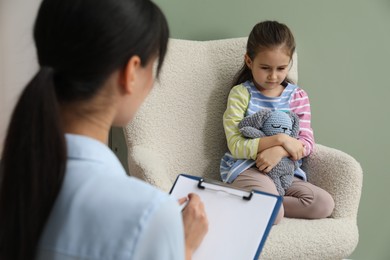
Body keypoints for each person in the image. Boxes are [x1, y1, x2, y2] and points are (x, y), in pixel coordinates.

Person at [0, 0, 208, 259]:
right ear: (131, 72)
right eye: (152, 67)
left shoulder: (15, 178)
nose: (153, 82)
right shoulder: (148, 214)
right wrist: (184, 248)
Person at [220, 21, 334, 224]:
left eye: (281, 68)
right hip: (248, 168)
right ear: (249, 61)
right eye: (265, 68)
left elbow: (306, 142)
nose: (273, 76)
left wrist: (280, 151)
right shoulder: (241, 94)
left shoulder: (297, 95)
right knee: (275, 214)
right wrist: (281, 139)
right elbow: (236, 146)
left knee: (323, 204)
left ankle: (262, 202)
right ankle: (258, 199)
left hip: (284, 171)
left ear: (290, 63)